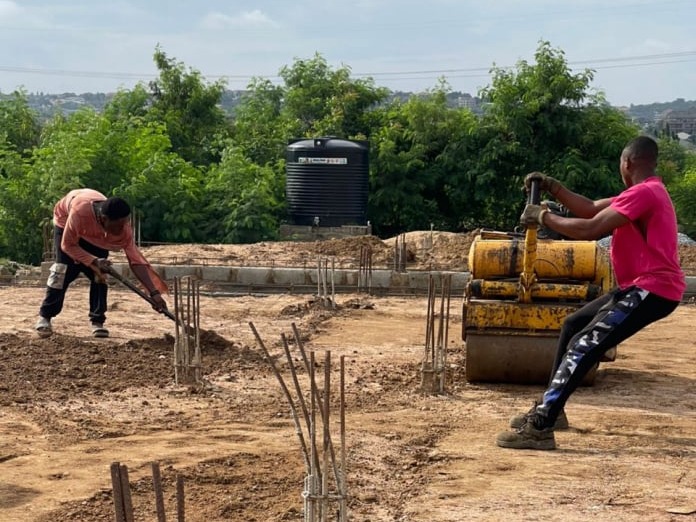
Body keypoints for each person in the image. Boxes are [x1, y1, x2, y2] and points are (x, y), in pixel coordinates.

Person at [496, 135, 686, 450]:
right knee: (573, 326)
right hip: (641, 287)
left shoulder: (644, 194)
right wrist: (553, 187)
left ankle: (541, 427)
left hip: (652, 287)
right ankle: (552, 409)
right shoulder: (645, 191)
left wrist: (542, 216)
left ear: (627, 163)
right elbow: (589, 209)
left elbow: (591, 228)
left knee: (585, 344)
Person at [35, 188, 169, 338]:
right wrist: (93, 260)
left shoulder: (124, 228)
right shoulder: (80, 213)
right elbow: (67, 245)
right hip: (66, 221)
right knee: (62, 271)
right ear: (105, 219)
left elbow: (136, 261)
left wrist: (154, 293)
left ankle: (97, 321)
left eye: (124, 224)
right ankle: (45, 317)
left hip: (95, 232)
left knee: (100, 274)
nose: (121, 229)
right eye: (117, 226)